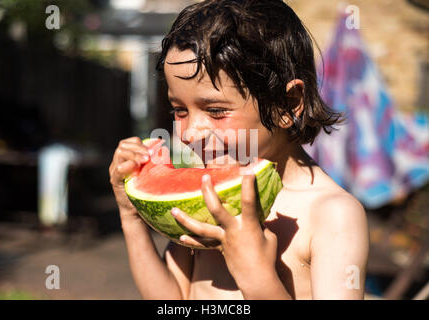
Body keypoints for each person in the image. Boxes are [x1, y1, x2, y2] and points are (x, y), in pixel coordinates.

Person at [109, 0, 369, 300]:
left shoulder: (332, 215)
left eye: (216, 111)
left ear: (288, 104)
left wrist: (256, 277)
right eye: (179, 110)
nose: (190, 133)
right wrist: (131, 217)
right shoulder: (206, 192)